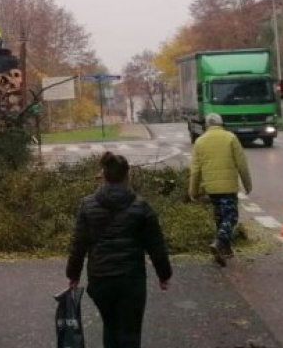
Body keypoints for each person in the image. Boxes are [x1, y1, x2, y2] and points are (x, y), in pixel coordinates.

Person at [66, 152, 172, 348]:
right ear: (127, 176)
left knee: (111, 325)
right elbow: (156, 244)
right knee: (130, 332)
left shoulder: (87, 205)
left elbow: (78, 243)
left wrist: (73, 274)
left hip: (100, 279)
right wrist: (164, 274)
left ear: (103, 175)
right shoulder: (141, 206)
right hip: (131, 281)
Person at [188, 113, 253, 267]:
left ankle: (226, 250)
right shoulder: (230, 138)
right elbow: (242, 164)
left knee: (219, 217)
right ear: (221, 124)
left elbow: (195, 170)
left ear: (207, 126)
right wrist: (247, 184)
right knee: (231, 217)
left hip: (211, 188)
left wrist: (193, 191)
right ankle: (219, 242)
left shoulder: (200, 141)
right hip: (228, 187)